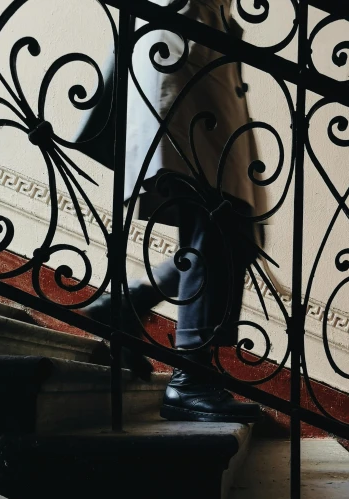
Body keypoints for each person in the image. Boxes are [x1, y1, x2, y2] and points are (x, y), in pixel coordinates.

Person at [77, 0, 263, 423]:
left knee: (234, 226)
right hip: (185, 42)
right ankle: (190, 378)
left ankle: (129, 305)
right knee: (216, 214)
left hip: (204, 44)